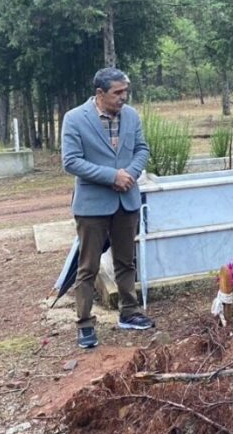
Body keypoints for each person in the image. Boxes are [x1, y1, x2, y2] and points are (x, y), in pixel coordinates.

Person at [61, 67, 155, 349]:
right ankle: (85, 323)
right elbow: (71, 161)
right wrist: (111, 176)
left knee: (127, 261)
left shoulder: (132, 116)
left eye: (126, 91)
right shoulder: (75, 119)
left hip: (126, 201)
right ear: (100, 93)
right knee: (87, 267)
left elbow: (142, 149)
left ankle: (130, 311)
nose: (123, 97)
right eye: (118, 92)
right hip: (92, 205)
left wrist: (130, 174)